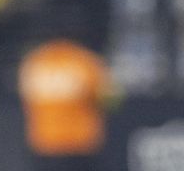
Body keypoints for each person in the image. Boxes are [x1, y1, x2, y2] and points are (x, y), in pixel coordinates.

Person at [18, 38, 120, 171]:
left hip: (46, 143)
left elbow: (25, 100)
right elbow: (111, 101)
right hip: (80, 143)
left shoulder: (35, 62)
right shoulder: (85, 60)